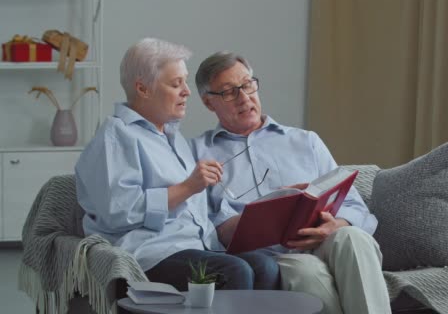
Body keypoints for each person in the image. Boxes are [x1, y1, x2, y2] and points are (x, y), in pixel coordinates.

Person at [191, 51, 391, 314]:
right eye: (229, 92)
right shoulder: (198, 154)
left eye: (248, 85)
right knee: (307, 271)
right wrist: (254, 216)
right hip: (272, 255)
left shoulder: (305, 141)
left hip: (324, 240)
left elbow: (355, 206)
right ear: (208, 103)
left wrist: (336, 225)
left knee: (353, 238)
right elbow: (201, 223)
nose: (244, 98)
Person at [75, 39, 279, 292]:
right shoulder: (115, 137)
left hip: (196, 246)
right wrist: (188, 187)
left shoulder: (173, 137)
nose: (187, 91)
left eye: (185, 81)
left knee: (265, 266)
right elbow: (118, 213)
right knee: (235, 271)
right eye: (176, 83)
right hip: (149, 254)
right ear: (143, 88)